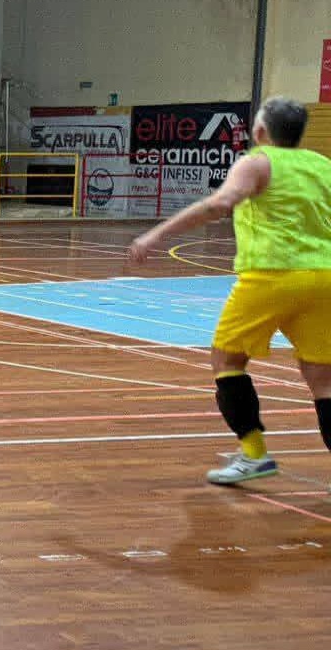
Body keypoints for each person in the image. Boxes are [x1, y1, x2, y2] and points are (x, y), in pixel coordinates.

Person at [129, 97, 331, 487]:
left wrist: (156, 235)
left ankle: (254, 453)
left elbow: (220, 203)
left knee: (227, 361)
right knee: (324, 381)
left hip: (272, 274)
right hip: (324, 277)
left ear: (260, 131)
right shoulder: (323, 166)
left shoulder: (257, 161)